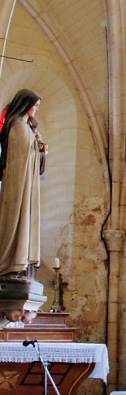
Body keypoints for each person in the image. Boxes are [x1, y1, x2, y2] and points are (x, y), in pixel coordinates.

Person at [0, 90, 47, 279]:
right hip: (18, 183)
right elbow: (18, 158)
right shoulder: (18, 126)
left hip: (26, 183)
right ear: (25, 104)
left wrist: (41, 150)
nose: (36, 109)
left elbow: (31, 154)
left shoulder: (26, 127)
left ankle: (20, 261)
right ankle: (11, 262)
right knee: (15, 219)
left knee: (25, 218)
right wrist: (37, 149)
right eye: (34, 105)